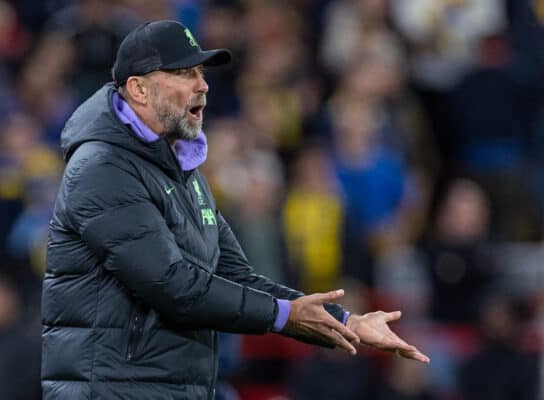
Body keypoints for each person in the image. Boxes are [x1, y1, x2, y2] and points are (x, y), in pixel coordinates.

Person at [41, 20, 429, 399]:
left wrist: (347, 322)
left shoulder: (183, 171)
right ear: (139, 89)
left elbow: (236, 275)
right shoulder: (103, 167)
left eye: (201, 72)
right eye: (185, 73)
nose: (203, 85)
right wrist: (284, 315)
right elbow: (172, 285)